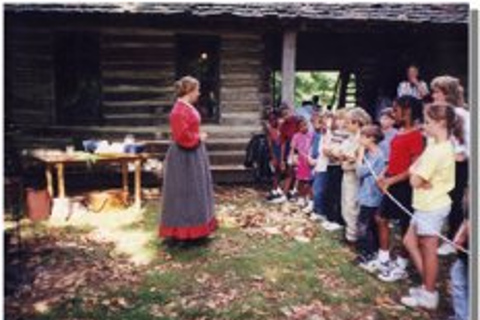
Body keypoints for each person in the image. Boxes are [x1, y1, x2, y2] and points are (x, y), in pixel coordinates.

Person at [400, 103, 456, 310]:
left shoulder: (437, 151)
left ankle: (430, 293)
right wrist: (417, 174)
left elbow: (413, 179)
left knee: (429, 249)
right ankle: (428, 286)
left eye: (428, 122)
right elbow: (414, 171)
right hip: (426, 203)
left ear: (441, 123)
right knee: (409, 241)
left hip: (432, 205)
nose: (424, 126)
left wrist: (417, 175)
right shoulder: (436, 143)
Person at [159, 76, 217, 243]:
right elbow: (182, 137)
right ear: (189, 91)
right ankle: (182, 233)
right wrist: (199, 137)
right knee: (183, 193)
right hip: (184, 157)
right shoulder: (178, 111)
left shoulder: (186, 107)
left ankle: (197, 231)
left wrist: (198, 136)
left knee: (196, 192)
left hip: (193, 155)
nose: (199, 93)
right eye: (197, 90)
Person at [374, 96, 424, 282]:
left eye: (396, 109)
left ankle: (401, 265)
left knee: (405, 226)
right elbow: (394, 158)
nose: (393, 113)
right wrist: (383, 175)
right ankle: (384, 258)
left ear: (408, 110)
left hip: (404, 185)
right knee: (381, 218)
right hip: (391, 181)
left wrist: (391, 180)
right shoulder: (400, 131)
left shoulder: (416, 135)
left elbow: (413, 168)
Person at [431, 75, 470, 256]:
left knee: (454, 202)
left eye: (437, 92)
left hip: (457, 164)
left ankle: (453, 239)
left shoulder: (461, 114)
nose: (434, 95)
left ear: (447, 94)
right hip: (445, 163)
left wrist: (460, 154)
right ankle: (445, 235)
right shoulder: (442, 112)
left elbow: (465, 143)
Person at [336, 107, 372, 244]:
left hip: (354, 175)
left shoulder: (362, 139)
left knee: (351, 204)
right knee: (346, 202)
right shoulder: (351, 137)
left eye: (348, 122)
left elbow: (357, 157)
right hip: (347, 172)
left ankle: (353, 235)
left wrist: (346, 157)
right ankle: (349, 231)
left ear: (357, 122)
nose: (345, 125)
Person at [354, 125, 386, 270]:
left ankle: (368, 252)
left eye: (362, 136)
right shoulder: (370, 154)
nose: (360, 139)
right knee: (367, 224)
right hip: (366, 193)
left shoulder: (377, 156)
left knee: (364, 225)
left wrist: (360, 155)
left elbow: (360, 172)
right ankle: (368, 250)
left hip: (371, 196)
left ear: (371, 138)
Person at [321, 109, 349, 231]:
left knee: (338, 193)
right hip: (331, 164)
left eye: (341, 119)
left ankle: (338, 219)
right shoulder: (335, 133)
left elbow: (341, 152)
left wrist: (333, 153)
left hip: (340, 166)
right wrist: (330, 152)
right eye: (337, 119)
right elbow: (327, 148)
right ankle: (330, 217)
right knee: (329, 192)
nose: (338, 122)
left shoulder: (347, 134)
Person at [290, 117, 314, 211]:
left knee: (308, 181)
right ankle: (301, 197)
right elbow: (293, 149)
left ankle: (307, 197)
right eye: (301, 126)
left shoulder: (311, 135)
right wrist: (292, 158)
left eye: (305, 125)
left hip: (309, 159)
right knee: (300, 180)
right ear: (298, 128)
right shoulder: (296, 136)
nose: (304, 127)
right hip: (301, 160)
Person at [308, 112, 329, 221]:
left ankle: (320, 211)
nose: (321, 125)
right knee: (315, 187)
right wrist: (309, 157)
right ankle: (316, 208)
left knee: (319, 189)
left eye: (321, 123)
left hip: (323, 165)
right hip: (316, 163)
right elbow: (311, 147)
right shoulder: (316, 135)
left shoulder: (326, 135)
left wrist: (316, 161)